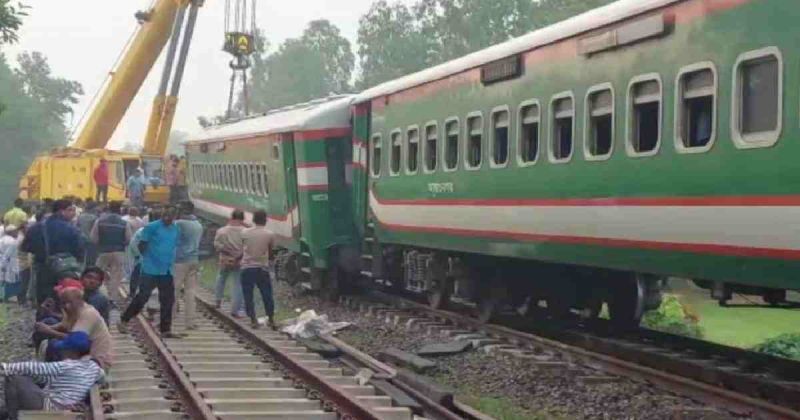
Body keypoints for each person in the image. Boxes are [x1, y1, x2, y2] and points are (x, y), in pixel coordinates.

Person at [0, 331, 104, 419]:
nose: (61, 352)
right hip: (63, 405)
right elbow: (102, 377)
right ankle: (9, 411)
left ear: (73, 352)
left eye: (64, 349)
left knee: (14, 378)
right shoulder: (94, 368)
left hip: (51, 406)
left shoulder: (67, 365)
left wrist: (6, 367)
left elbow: (36, 368)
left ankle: (12, 416)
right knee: (28, 377)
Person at [118, 206, 180, 337]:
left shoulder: (175, 228)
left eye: (171, 216)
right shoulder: (151, 227)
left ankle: (165, 329)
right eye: (165, 215)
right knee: (142, 297)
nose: (167, 218)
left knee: (168, 300)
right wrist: (148, 258)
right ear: (162, 214)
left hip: (166, 270)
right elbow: (142, 245)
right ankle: (124, 319)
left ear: (175, 217)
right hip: (150, 269)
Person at [34, 280, 113, 370]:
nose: (67, 306)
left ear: (79, 300)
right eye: (64, 303)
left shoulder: (88, 313)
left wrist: (50, 334)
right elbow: (64, 325)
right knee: (48, 336)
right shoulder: (74, 311)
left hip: (97, 362)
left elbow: (78, 342)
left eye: (70, 302)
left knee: (54, 346)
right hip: (87, 355)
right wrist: (48, 328)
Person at [21, 200, 84, 306]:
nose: (73, 213)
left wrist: (41, 251)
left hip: (43, 266)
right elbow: (80, 249)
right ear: (61, 211)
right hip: (65, 269)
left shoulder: (37, 227)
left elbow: (25, 247)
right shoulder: (71, 229)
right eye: (70, 210)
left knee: (44, 298)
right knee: (64, 298)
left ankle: (44, 318)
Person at [239, 210, 277, 329]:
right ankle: (271, 319)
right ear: (265, 220)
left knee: (248, 294)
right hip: (262, 268)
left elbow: (242, 249)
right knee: (267, 294)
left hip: (247, 268)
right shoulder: (269, 234)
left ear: (253, 220)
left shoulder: (244, 232)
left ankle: (253, 320)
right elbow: (271, 253)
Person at [90, 201, 132, 305]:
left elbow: (93, 238)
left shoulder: (99, 221)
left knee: (98, 273)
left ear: (108, 208)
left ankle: (99, 294)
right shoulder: (124, 223)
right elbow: (129, 239)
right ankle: (112, 299)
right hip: (118, 252)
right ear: (120, 209)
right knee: (116, 276)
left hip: (103, 251)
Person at [172, 202, 203, 330]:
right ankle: (190, 321)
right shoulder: (198, 225)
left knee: (174, 290)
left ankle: (171, 317)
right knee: (190, 292)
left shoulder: (178, 224)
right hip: (194, 260)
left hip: (179, 261)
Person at [213, 209, 246, 317]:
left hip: (225, 260)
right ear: (242, 219)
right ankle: (235, 310)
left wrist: (227, 251)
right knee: (238, 284)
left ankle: (217, 301)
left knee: (221, 278)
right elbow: (247, 247)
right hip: (239, 261)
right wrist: (238, 255)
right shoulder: (245, 232)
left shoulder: (222, 231)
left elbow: (217, 245)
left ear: (231, 217)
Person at [0, 226, 20, 303]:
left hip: (3, 261)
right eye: (15, 231)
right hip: (9, 263)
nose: (17, 233)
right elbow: (8, 254)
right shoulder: (13, 241)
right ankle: (6, 297)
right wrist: (3, 264)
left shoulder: (1, 239)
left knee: (2, 280)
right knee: (9, 280)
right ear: (12, 232)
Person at [76, 200, 99, 266]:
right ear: (93, 209)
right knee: (91, 259)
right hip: (91, 240)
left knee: (81, 258)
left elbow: (77, 227)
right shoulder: (95, 218)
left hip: (81, 239)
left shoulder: (80, 216)